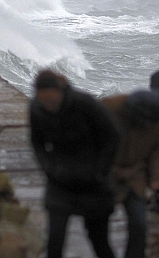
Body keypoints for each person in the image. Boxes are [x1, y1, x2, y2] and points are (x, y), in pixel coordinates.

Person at [29, 69, 121, 258]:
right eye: (44, 100)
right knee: (55, 240)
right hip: (60, 182)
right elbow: (37, 143)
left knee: (99, 241)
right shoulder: (36, 109)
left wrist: (100, 171)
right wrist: (49, 168)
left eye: (52, 99)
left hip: (94, 183)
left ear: (60, 92)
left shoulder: (84, 104)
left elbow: (113, 137)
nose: (49, 105)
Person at [102, 89, 159, 258]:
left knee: (139, 223)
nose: (147, 127)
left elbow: (157, 152)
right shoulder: (109, 110)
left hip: (135, 175)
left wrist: (155, 180)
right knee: (98, 225)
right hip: (104, 174)